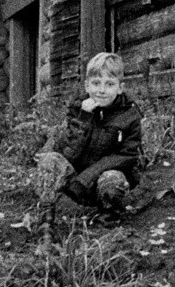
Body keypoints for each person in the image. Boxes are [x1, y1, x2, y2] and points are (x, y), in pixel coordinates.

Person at [38, 51, 144, 213]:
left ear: (120, 88)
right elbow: (67, 152)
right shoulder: (78, 108)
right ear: (87, 85)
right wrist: (84, 117)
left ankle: (108, 217)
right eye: (96, 83)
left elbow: (127, 156)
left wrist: (87, 177)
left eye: (109, 84)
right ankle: (46, 218)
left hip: (101, 181)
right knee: (50, 160)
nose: (101, 90)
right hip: (75, 183)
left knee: (113, 179)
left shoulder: (129, 116)